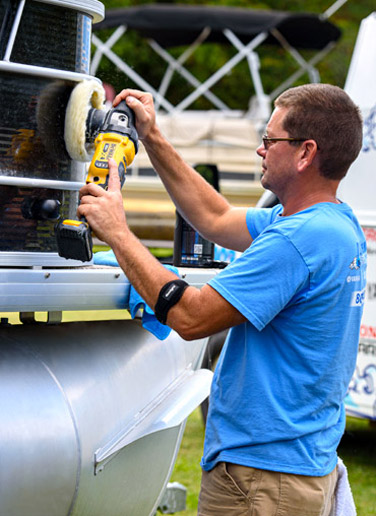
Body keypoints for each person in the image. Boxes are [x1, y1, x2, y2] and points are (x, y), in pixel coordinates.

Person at [78, 83, 366, 516]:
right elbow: (214, 216)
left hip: (263, 481)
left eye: (270, 140)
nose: (259, 150)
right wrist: (153, 137)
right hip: (298, 467)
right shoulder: (332, 224)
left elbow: (192, 317)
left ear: (306, 153)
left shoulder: (299, 239)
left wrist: (118, 232)